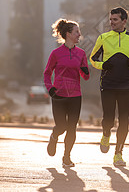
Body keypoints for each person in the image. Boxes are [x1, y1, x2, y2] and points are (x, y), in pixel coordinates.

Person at [90, 7, 129, 167]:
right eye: (110, 19)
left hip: (126, 86)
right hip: (107, 84)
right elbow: (93, 58)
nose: (111, 22)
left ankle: (118, 154)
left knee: (124, 120)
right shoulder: (103, 38)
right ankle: (106, 134)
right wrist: (103, 65)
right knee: (108, 118)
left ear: (124, 21)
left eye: (115, 19)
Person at [44, 18, 89, 168]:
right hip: (59, 95)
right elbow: (47, 73)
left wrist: (85, 71)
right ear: (68, 34)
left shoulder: (81, 53)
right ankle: (54, 136)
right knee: (61, 126)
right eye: (77, 32)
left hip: (76, 95)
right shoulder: (56, 53)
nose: (79, 34)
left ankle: (67, 157)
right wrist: (50, 88)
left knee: (72, 128)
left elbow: (86, 77)